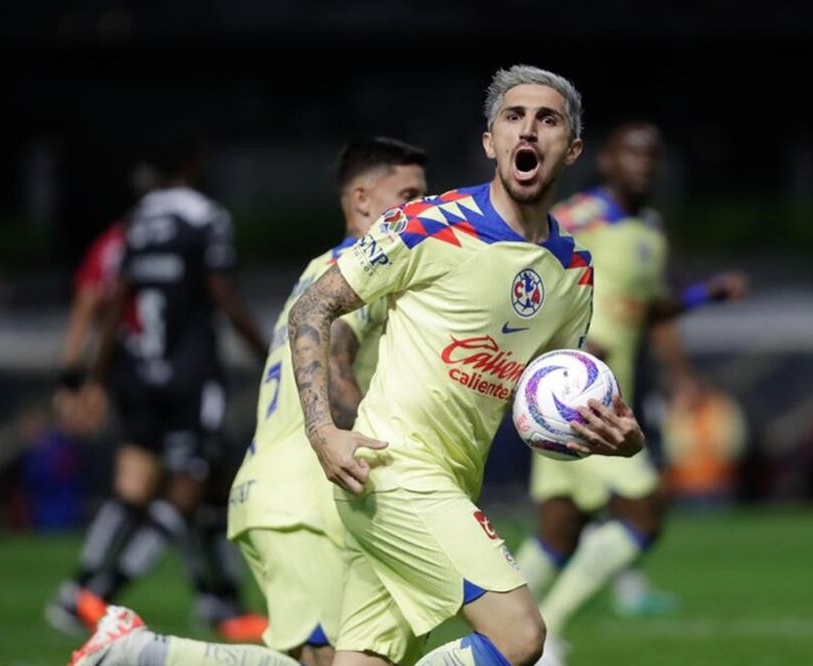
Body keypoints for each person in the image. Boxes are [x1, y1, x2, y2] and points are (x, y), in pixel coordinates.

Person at [70, 64, 644, 666]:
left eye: (547, 120)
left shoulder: (573, 272)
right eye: (513, 117)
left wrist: (610, 437)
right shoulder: (430, 224)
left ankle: (136, 653)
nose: (528, 130)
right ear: (490, 140)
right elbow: (312, 308)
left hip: (452, 482)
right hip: (396, 471)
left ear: (571, 148)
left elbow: (552, 398)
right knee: (521, 636)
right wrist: (323, 432)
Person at [68, 137, 428, 666]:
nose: (423, 210)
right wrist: (394, 465)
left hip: (282, 493)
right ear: (361, 201)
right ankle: (137, 649)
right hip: (308, 499)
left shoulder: (320, 272)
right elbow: (335, 365)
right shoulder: (360, 272)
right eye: (410, 196)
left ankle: (143, 650)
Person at [515, 120, 748, 661]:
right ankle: (549, 630)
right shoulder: (579, 217)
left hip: (606, 393)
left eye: (651, 155)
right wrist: (564, 337)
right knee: (645, 508)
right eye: (631, 153)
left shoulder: (650, 229)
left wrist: (705, 295)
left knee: (560, 529)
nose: (643, 163)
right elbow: (524, 270)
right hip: (573, 396)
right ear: (607, 161)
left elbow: (644, 310)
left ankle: (494, 635)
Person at [48, 133, 271, 642]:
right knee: (187, 490)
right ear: (194, 165)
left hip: (137, 372)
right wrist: (270, 353)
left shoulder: (136, 221)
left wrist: (93, 378)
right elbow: (222, 292)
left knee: (173, 487)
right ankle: (98, 591)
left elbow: (112, 300)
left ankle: (218, 601)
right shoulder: (205, 216)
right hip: (190, 376)